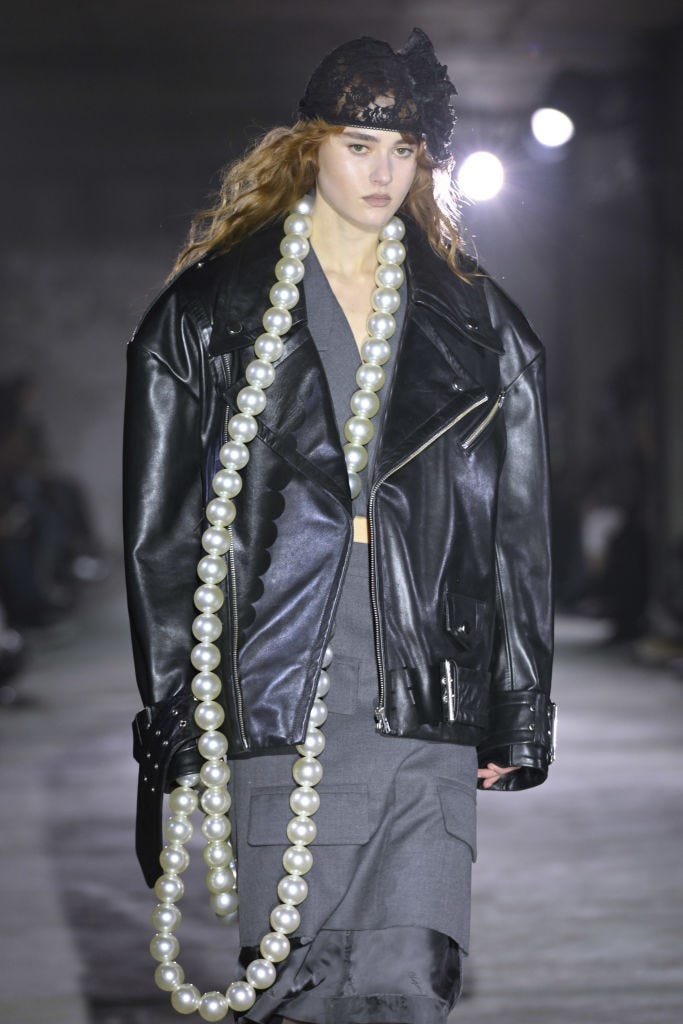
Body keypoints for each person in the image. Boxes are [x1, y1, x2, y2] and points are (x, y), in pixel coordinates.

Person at [123, 27, 556, 1024]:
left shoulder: (480, 326)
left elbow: (519, 531)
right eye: (359, 144)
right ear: (307, 144)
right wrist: (179, 715)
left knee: (410, 980)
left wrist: (515, 699)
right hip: (278, 689)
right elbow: (161, 539)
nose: (382, 170)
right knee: (296, 989)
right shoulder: (204, 318)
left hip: (424, 690)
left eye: (402, 149)